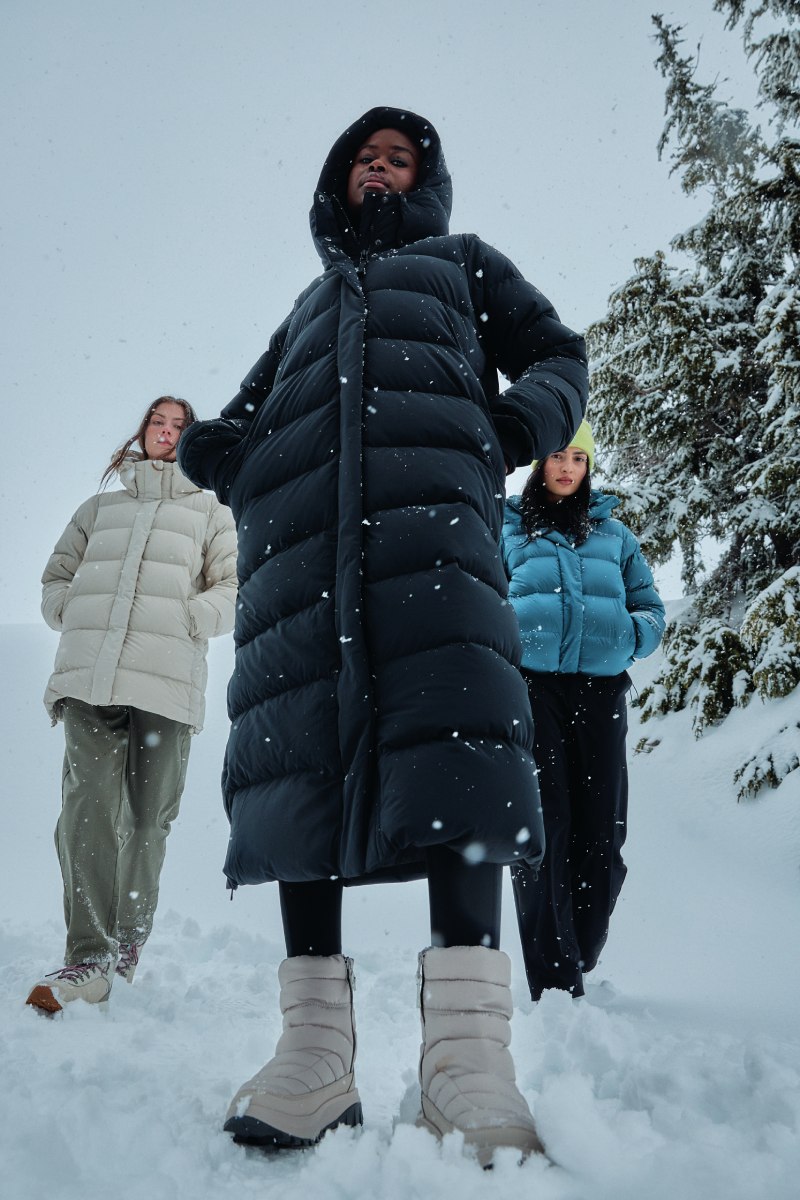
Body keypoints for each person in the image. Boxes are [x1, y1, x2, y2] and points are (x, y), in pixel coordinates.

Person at [178, 106, 588, 1163]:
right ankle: (312, 1057)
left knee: (462, 754)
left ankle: (464, 1062)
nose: (379, 169)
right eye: (364, 158)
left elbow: (555, 354)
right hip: (303, 561)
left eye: (398, 158)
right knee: (297, 764)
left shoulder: (459, 268)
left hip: (436, 538)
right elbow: (237, 418)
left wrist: (501, 431)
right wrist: (236, 467)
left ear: (427, 181)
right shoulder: (311, 305)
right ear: (337, 182)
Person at [26, 396, 238, 1015]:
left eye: (178, 427)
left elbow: (230, 587)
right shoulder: (100, 509)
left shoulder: (211, 511)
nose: (166, 434)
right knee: (87, 805)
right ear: (142, 430)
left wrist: (190, 618)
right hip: (91, 677)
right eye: (157, 423)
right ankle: (88, 950)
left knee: (148, 819)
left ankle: (127, 942)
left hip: (166, 682)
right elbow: (54, 578)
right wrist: (69, 613)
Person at [502, 420, 665, 1001]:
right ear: (539, 465)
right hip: (532, 691)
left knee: (602, 836)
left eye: (578, 456)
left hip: (599, 695)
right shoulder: (510, 530)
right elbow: (483, 600)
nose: (567, 466)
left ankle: (579, 949)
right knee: (545, 831)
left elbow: (651, 607)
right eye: (556, 456)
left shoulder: (614, 535)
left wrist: (629, 636)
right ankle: (553, 977)